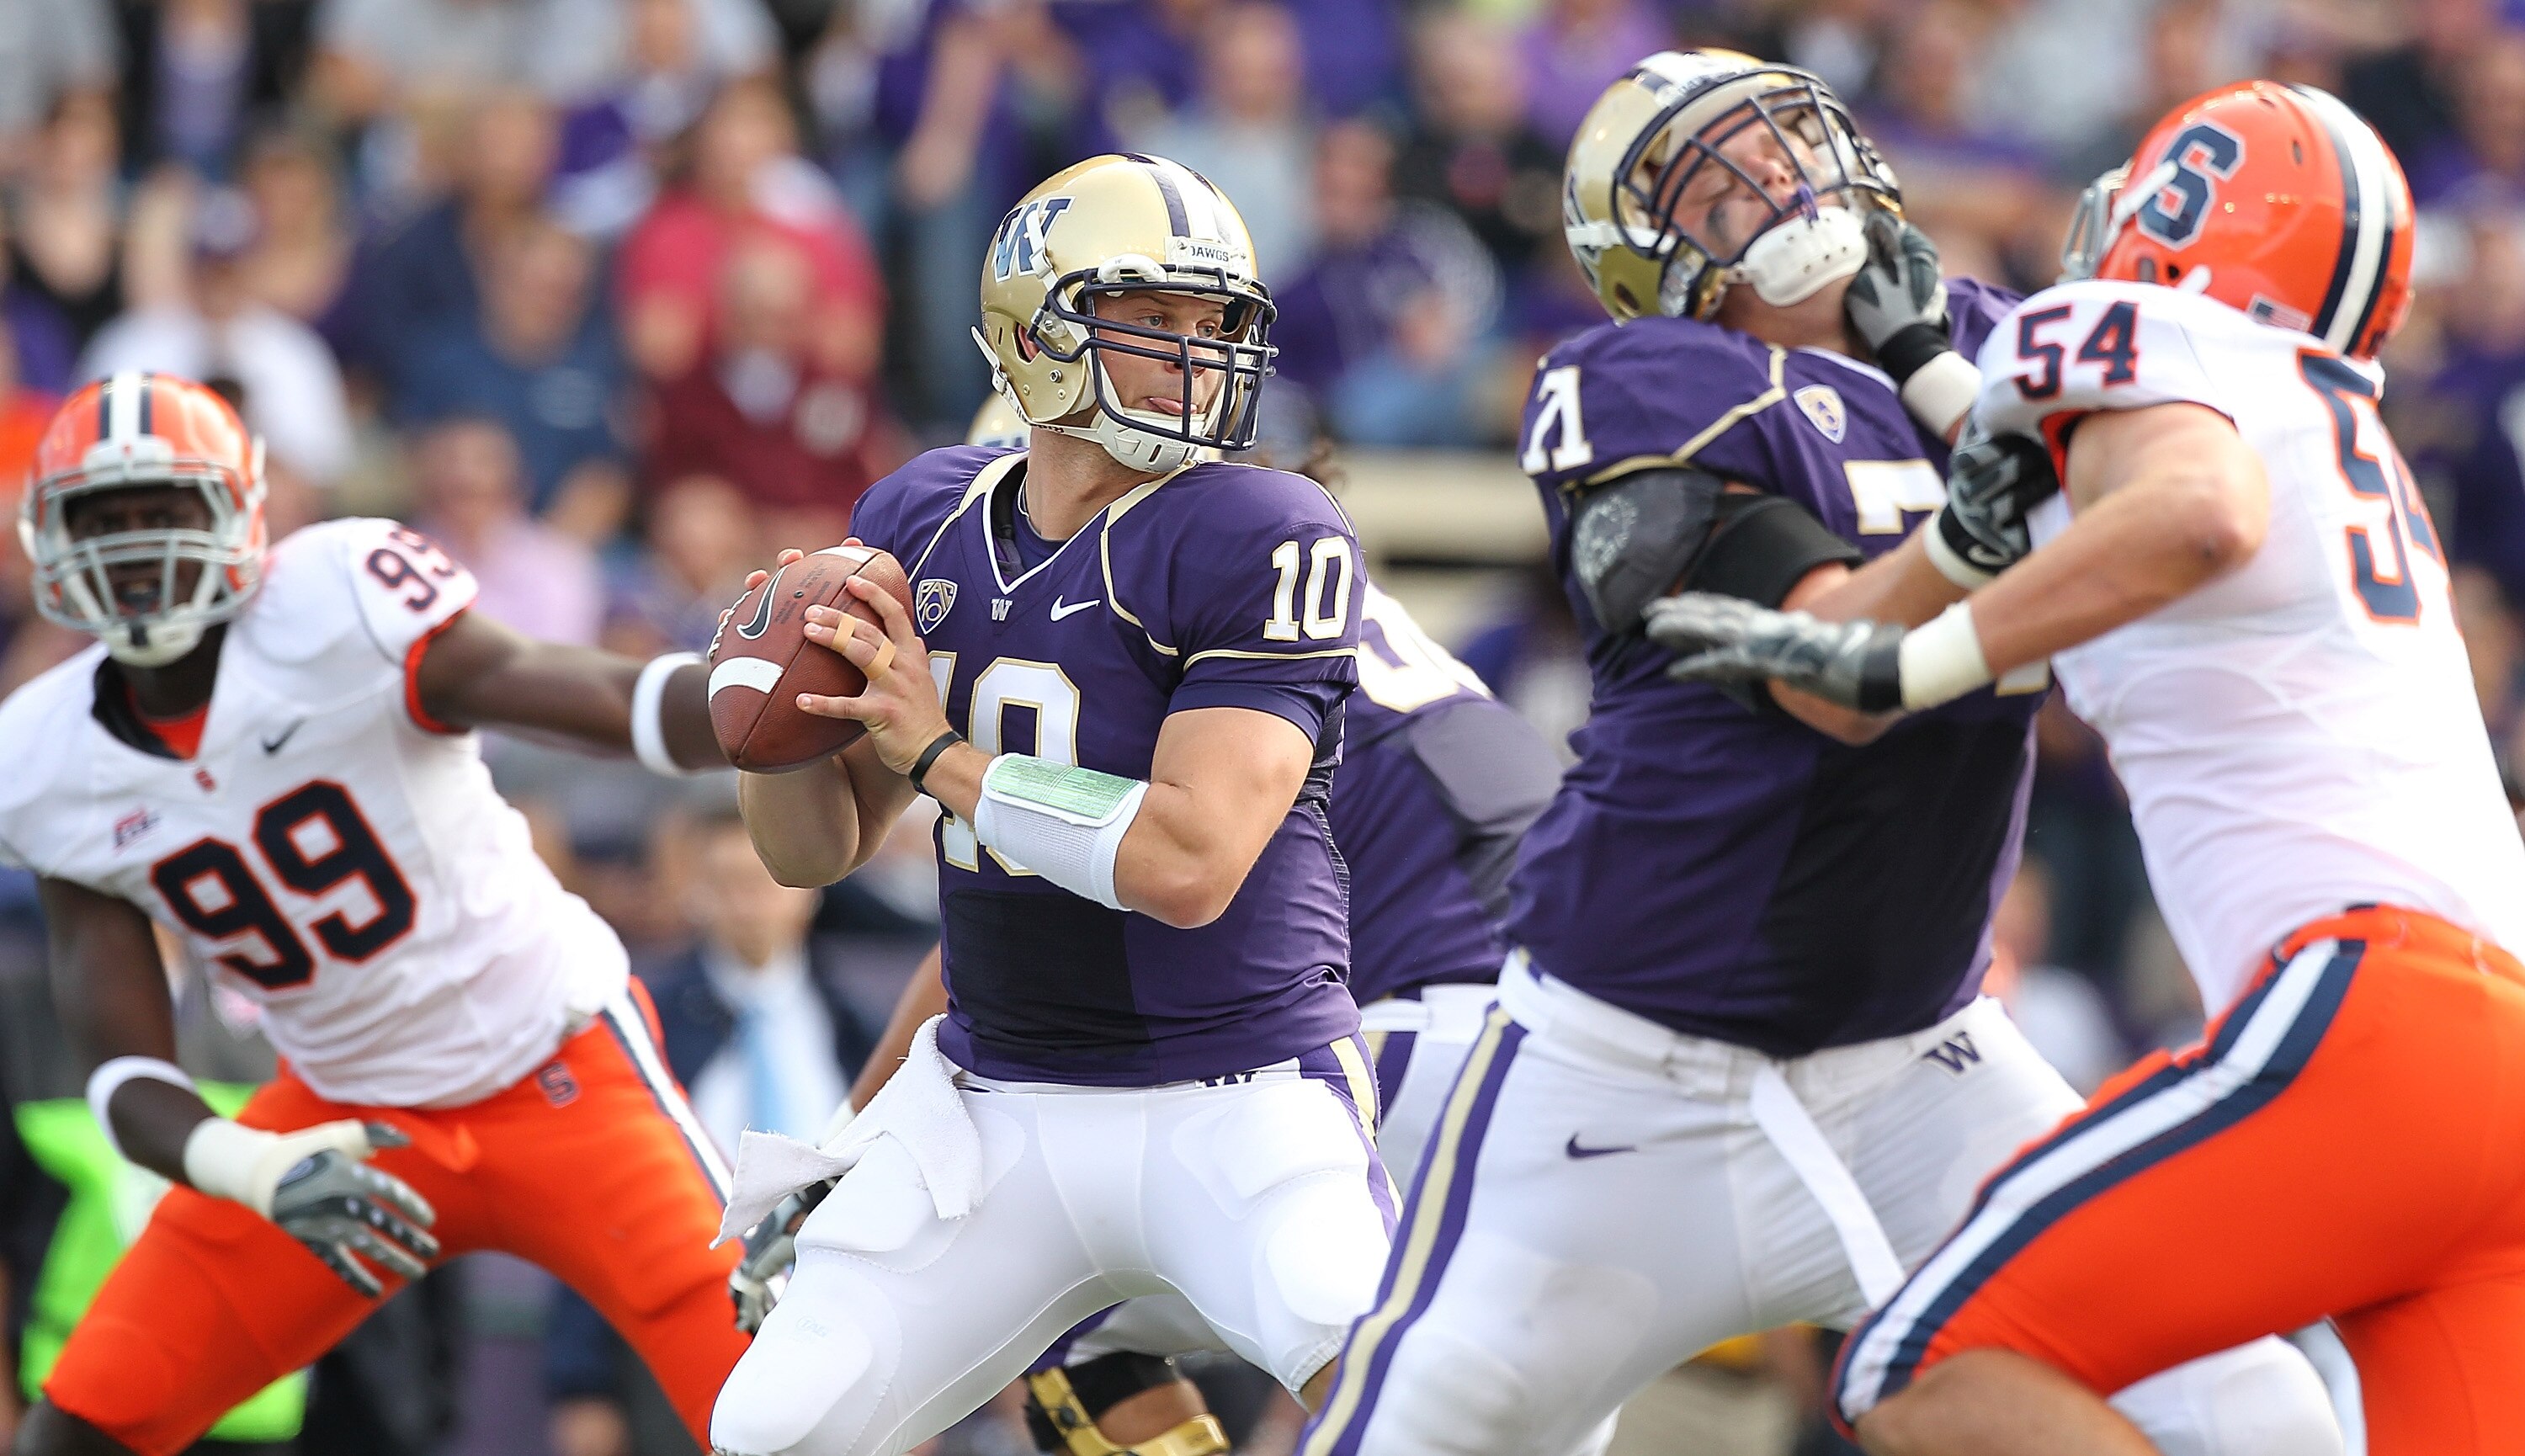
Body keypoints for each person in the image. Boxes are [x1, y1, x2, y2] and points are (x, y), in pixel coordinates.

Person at [1295, 51, 2336, 1456]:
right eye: (1722, 172)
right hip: (1627, 1069)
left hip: (1920, 1057)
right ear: (1649, 252)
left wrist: (1943, 372)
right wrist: (1983, 489)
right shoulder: (1640, 379)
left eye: (1792, 143)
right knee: (1422, 1427)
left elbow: (2181, 525)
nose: (1783, 180)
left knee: (2256, 1408)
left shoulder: (1973, 326)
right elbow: (1834, 672)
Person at [1645, 81, 2525, 1456]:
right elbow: (2054, 497)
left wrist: (1899, 668)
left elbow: (2194, 513)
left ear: (2194, 221)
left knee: (1918, 1373)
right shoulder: (2327, 423)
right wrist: (1929, 368)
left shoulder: (2156, 330)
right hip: (2500, 1067)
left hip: (2373, 1017)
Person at [704, 153, 1392, 1456]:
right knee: (772, 1429)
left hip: (1235, 1085)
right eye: (1156, 319)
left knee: (1408, 1394)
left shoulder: (1260, 526)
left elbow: (1191, 858)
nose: (1198, 356)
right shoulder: (919, 512)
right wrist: (771, 722)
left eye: (1215, 323)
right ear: (1036, 331)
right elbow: (812, 852)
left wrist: (939, 755)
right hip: (996, 1101)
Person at [726, 392, 1564, 1456]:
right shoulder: (1226, 567)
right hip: (1549, 1020)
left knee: (1079, 1323)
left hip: (1405, 1021)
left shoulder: (1194, 596)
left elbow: (1112, 882)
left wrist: (839, 1160)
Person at [0, 371, 753, 1456]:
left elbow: (573, 687)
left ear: (240, 515)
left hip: (557, 1063)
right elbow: (126, 1074)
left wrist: (736, 701)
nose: (135, 547)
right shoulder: (45, 759)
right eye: (102, 519)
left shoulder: (335, 600)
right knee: (79, 1427)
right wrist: (255, 1168)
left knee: (785, 1406)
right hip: (340, 1117)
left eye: (164, 510)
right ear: (50, 537)